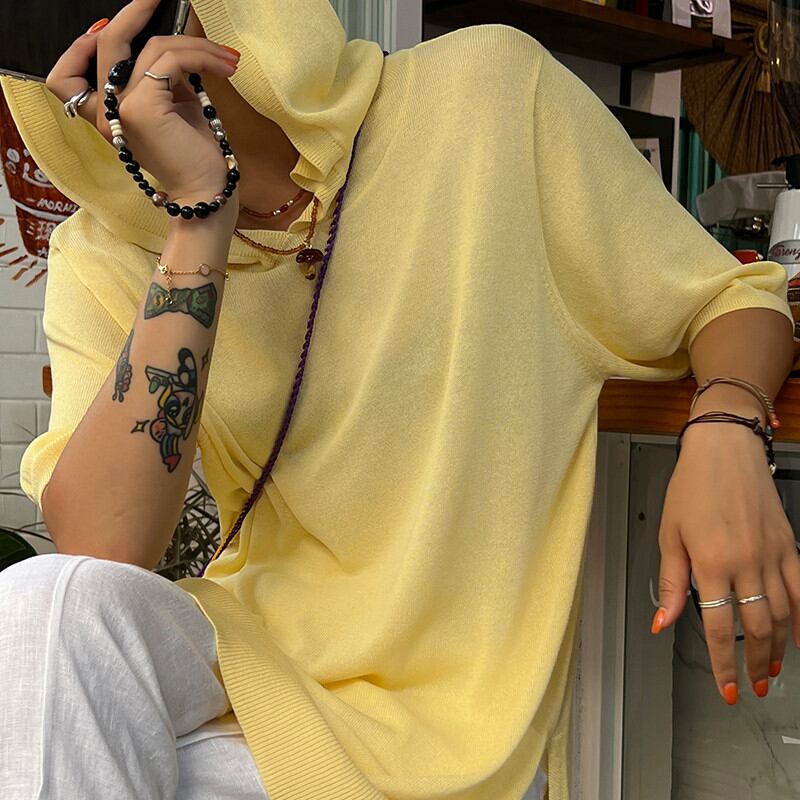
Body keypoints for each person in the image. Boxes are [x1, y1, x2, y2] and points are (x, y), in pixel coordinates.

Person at [1, 0, 798, 798]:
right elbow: (101, 552)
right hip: (247, 659)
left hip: (450, 720)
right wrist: (200, 217)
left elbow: (728, 297)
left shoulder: (485, 98)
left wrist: (727, 427)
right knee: (42, 602)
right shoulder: (105, 244)